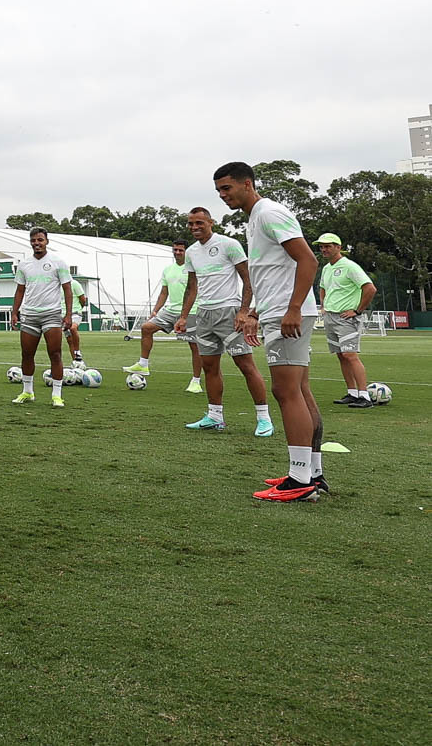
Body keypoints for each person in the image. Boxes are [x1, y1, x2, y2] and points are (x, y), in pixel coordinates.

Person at [213, 162, 327, 502]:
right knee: (300, 391)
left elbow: (308, 260)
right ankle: (312, 473)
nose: (223, 196)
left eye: (227, 188)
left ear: (247, 184)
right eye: (218, 190)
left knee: (286, 391)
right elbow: (272, 272)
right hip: (278, 312)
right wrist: (256, 312)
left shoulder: (269, 212)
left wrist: (292, 309)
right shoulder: (255, 218)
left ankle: (299, 480)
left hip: (288, 315)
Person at [173, 207, 274, 436]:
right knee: (209, 367)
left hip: (229, 312)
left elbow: (247, 278)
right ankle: (215, 417)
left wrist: (244, 311)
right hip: (204, 315)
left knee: (245, 365)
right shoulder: (191, 252)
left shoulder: (229, 244)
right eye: (190, 223)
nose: (194, 227)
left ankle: (264, 418)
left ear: (211, 222)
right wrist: (183, 316)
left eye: (199, 222)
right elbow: (192, 286)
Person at [123, 241, 205, 391]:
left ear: (186, 252)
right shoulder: (168, 270)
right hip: (171, 311)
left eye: (181, 250)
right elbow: (164, 292)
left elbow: (195, 290)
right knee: (146, 328)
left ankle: (196, 381)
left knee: (195, 346)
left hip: (191, 311)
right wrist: (155, 310)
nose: (178, 253)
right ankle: (143, 365)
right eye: (175, 250)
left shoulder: (194, 268)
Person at [9, 227, 73, 407]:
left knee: (55, 353)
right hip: (29, 315)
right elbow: (20, 290)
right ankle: (27, 392)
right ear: (30, 242)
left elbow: (67, 289)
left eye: (40, 240)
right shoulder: (24, 265)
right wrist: (15, 312)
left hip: (51, 314)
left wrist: (68, 315)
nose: (37, 243)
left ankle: (57, 395)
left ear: (47, 241)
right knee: (27, 354)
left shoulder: (58, 262)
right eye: (34, 240)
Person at [314, 233, 378, 408]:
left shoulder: (350, 266)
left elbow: (370, 288)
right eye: (321, 246)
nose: (324, 249)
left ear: (338, 247)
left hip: (346, 318)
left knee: (350, 355)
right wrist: (323, 306)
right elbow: (322, 288)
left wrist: (357, 310)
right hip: (331, 317)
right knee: (341, 355)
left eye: (327, 246)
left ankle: (364, 396)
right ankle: (352, 392)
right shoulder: (326, 268)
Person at [65, 267, 88, 366]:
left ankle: (77, 352)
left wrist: (79, 308)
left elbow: (82, 299)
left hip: (75, 312)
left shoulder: (74, 284)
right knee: (69, 340)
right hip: (62, 315)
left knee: (73, 328)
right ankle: (76, 362)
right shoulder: (57, 286)